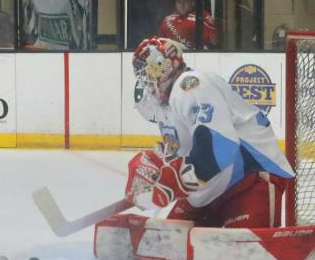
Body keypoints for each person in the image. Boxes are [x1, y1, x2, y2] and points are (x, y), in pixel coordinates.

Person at [126, 36, 294, 229]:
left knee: (239, 254)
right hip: (211, 189)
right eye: (144, 73)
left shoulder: (190, 84)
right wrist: (154, 169)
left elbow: (220, 146)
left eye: (151, 69)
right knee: (165, 245)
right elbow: (185, 157)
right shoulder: (168, 108)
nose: (147, 78)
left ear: (167, 65)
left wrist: (176, 180)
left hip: (252, 176)